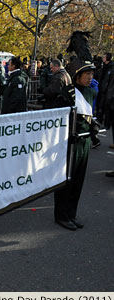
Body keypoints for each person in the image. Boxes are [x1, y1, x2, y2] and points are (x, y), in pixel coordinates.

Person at [50, 58, 98, 230]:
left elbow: (90, 114)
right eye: (87, 74)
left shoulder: (91, 92)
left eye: (92, 74)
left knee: (78, 180)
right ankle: (61, 215)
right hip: (71, 142)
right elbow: (57, 116)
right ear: (78, 75)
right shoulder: (68, 92)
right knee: (67, 180)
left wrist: (94, 126)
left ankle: (71, 213)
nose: (90, 77)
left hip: (84, 142)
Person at [95, 53, 114, 149]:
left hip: (107, 93)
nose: (103, 58)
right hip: (102, 91)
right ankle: (100, 123)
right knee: (100, 107)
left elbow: (110, 83)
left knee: (106, 108)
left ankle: (106, 124)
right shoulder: (104, 67)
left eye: (104, 56)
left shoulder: (111, 68)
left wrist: (108, 93)